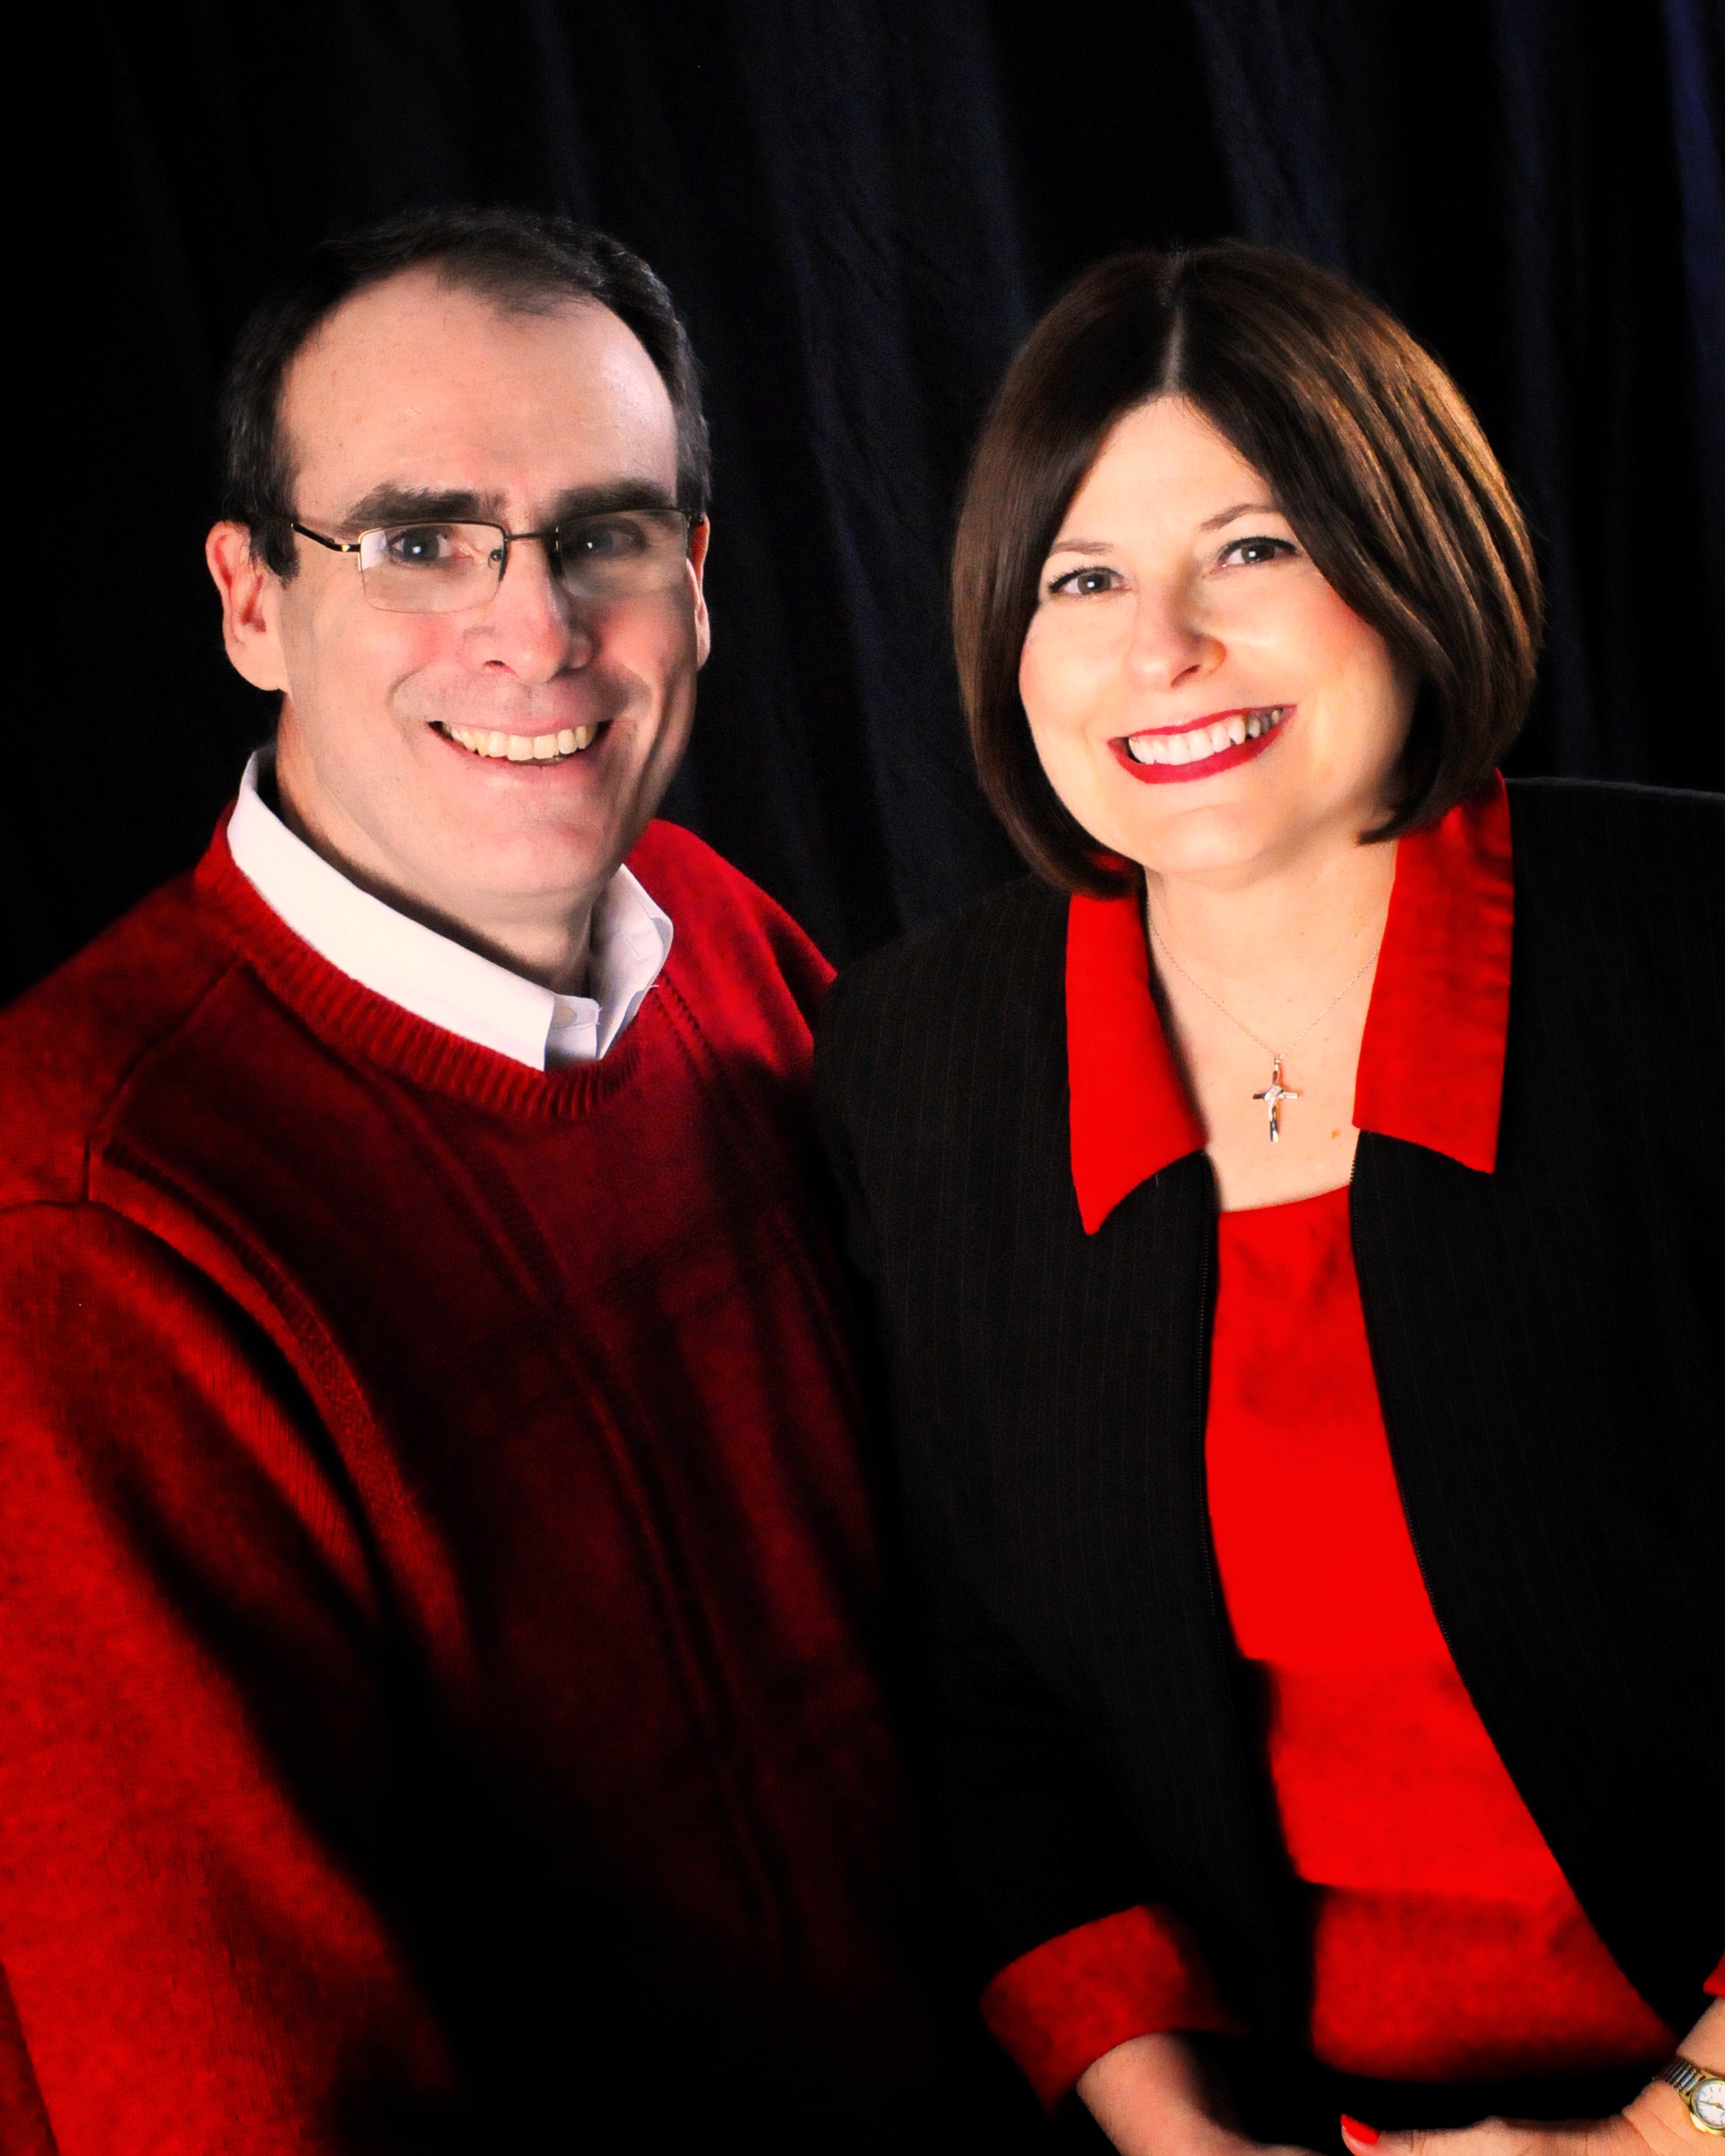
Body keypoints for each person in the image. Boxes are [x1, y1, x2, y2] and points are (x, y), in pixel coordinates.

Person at [0, 205, 946, 2155]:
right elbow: (240, 2108)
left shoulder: (722, 936)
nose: (536, 631)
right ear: (253, 601)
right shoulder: (85, 1218)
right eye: (421, 542)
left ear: (695, 583)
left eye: (605, 534)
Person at [813, 243, 1725, 2156]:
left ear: (1414, 560)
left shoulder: (1690, 955)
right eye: (1082, 581)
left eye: (1252, 549)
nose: (1162, 651)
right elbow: (995, 1712)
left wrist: (1667, 2137)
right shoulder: (922, 1067)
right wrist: (1178, 2134)